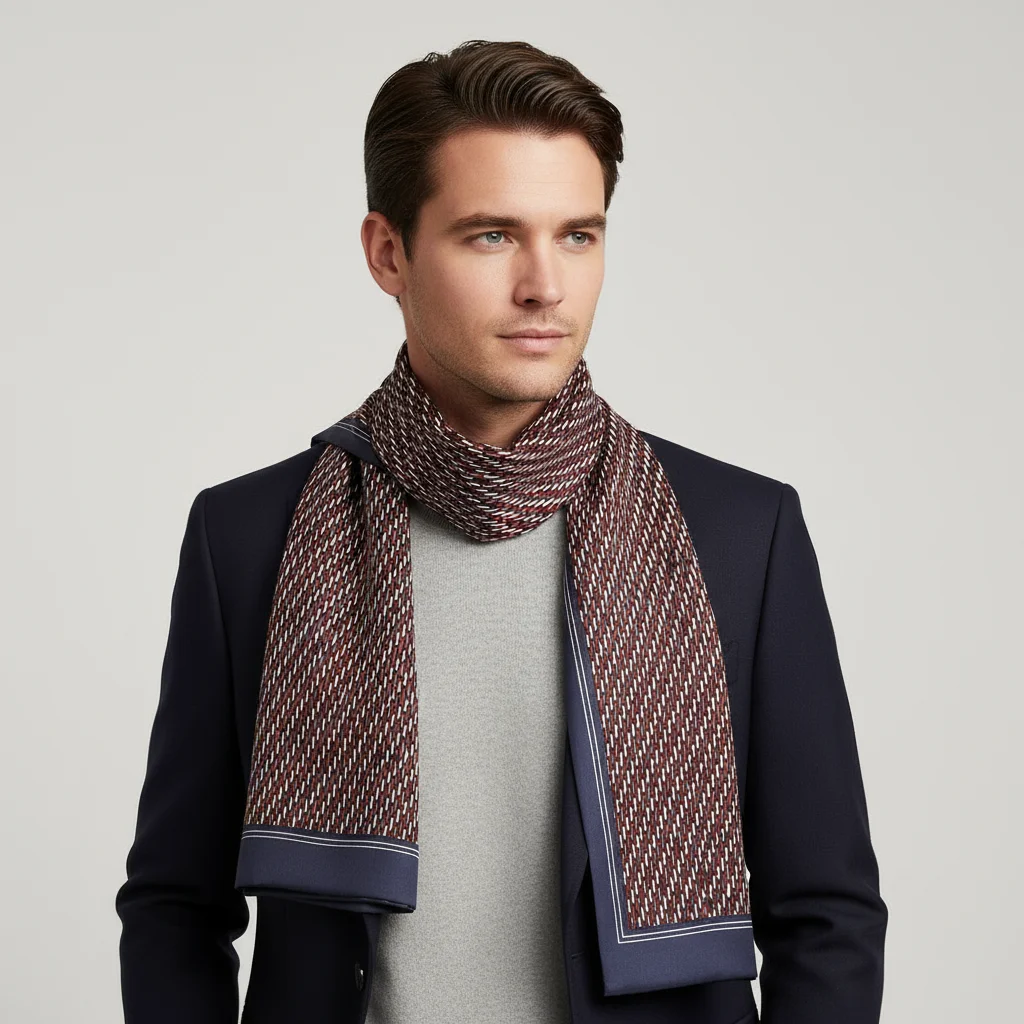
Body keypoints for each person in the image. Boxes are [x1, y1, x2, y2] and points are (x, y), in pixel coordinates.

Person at [115, 38, 887, 1024]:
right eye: (491, 235)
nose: (544, 286)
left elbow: (825, 913)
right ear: (387, 253)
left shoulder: (740, 534)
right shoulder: (248, 537)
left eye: (578, 235)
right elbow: (176, 907)